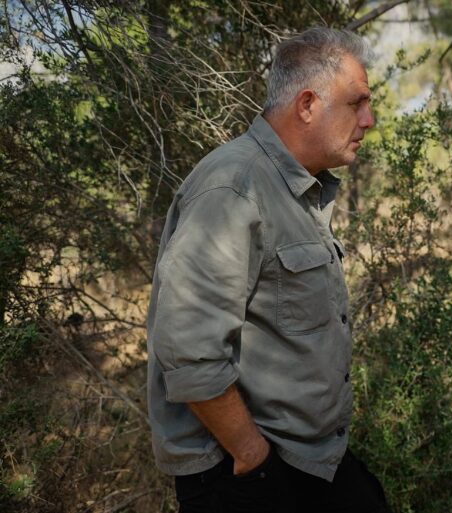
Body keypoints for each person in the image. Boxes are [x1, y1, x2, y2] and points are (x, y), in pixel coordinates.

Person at [145, 27, 389, 513]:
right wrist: (252, 455)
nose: (369, 120)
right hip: (242, 472)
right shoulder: (234, 187)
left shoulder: (297, 186)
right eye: (357, 103)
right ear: (307, 105)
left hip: (306, 459)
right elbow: (188, 350)